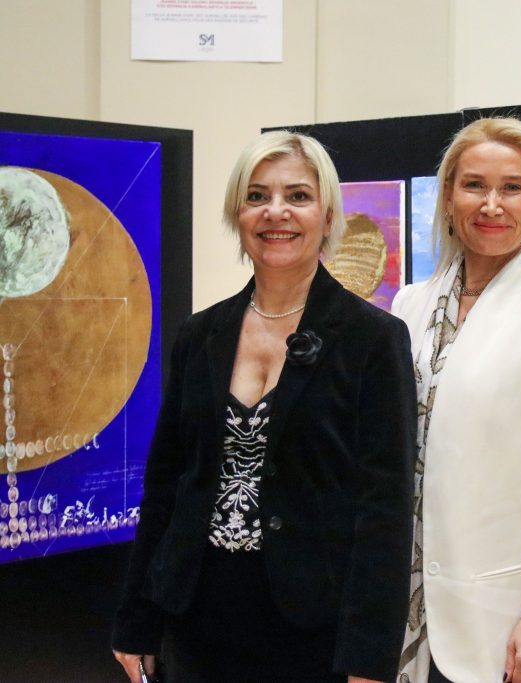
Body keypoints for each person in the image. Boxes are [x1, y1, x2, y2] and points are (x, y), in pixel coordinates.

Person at [111, 131, 416, 683]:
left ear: (327, 216)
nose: (276, 212)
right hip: (197, 620)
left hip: (314, 629)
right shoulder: (199, 335)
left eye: (297, 196)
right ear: (239, 214)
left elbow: (385, 509)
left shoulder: (372, 338)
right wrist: (137, 621)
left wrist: (369, 659)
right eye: (257, 196)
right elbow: (166, 485)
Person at [390, 117, 521, 683]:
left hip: (508, 628)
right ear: (447, 197)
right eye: (474, 186)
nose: (491, 204)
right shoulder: (409, 306)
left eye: (512, 188)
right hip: (409, 620)